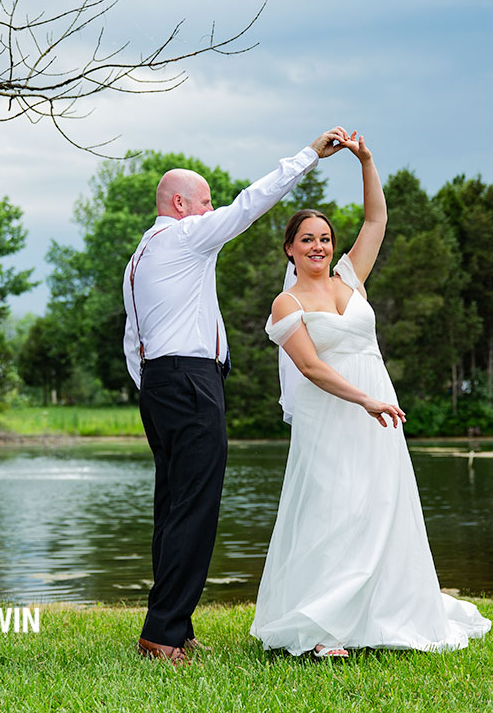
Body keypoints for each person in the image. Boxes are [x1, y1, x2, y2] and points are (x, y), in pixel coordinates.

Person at [250, 133, 491, 658]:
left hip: (379, 408)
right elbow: (311, 367)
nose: (319, 246)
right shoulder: (285, 304)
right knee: (334, 508)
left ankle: (380, 611)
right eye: (307, 239)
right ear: (290, 248)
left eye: (325, 239)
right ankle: (321, 629)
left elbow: (377, 222)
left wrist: (366, 160)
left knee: (380, 504)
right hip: (335, 411)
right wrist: (364, 400)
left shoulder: (351, 280)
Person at [124, 127, 352, 665]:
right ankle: (162, 636)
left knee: (173, 506)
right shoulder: (184, 236)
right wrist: (308, 158)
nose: (211, 210)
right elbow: (251, 204)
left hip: (160, 382)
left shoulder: (142, 253)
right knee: (196, 508)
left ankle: (172, 627)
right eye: (204, 202)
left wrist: (153, 384)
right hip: (188, 381)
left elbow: (131, 336)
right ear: (180, 204)